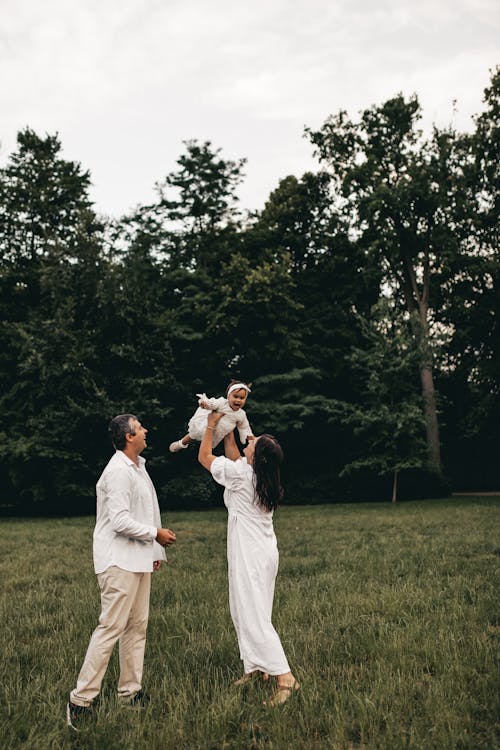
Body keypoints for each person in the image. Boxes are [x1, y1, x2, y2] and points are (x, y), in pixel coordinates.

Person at [67, 414, 176, 731]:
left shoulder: (139, 467)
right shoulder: (117, 472)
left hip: (139, 559)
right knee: (110, 628)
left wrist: (155, 552)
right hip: (117, 561)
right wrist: (155, 534)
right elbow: (119, 521)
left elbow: (146, 511)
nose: (145, 430)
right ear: (128, 436)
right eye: (140, 427)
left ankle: (130, 693)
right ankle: (81, 701)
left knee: (137, 628)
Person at [198, 411, 300, 706]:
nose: (250, 439)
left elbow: (205, 457)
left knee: (253, 616)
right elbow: (234, 458)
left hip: (251, 554)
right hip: (262, 552)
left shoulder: (242, 476)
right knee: (245, 610)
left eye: (254, 442)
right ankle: (256, 667)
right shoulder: (257, 475)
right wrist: (230, 430)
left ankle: (286, 678)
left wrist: (211, 426)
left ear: (257, 457)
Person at [169, 380, 253, 453]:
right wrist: (205, 404)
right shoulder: (222, 403)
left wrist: (250, 438)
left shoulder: (241, 414)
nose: (238, 400)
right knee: (192, 436)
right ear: (228, 396)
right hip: (206, 427)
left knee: (207, 448)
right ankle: (181, 443)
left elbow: (244, 427)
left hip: (217, 434)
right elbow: (212, 403)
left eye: (242, 398)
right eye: (235, 396)